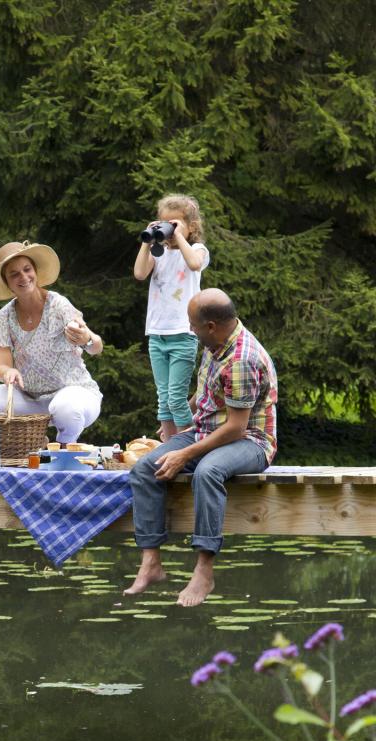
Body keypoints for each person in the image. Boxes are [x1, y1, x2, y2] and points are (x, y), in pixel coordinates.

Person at [124, 289, 277, 607]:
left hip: (249, 440)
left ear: (210, 325)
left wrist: (184, 453)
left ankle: (204, 570)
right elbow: (207, 390)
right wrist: (182, 417)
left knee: (208, 472)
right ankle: (151, 563)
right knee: (144, 470)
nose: (190, 331)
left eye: (193, 325)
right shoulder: (215, 341)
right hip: (205, 430)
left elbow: (235, 427)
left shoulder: (241, 359)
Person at [0, 241, 103, 445]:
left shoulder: (58, 305)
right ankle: (36, 442)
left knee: (66, 409)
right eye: (14, 274)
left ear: (35, 271)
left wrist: (86, 339)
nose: (23, 277)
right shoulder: (4, 317)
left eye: (27, 269)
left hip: (74, 394)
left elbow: (97, 347)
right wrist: (7, 372)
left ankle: (61, 448)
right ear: (7, 283)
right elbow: (1, 366)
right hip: (30, 399)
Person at [134, 195, 210, 442]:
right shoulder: (159, 254)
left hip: (182, 334)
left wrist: (177, 236)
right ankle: (169, 448)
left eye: (174, 223)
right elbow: (139, 273)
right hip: (157, 333)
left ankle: (189, 447)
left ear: (192, 226)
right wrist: (147, 240)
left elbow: (195, 264)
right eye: (163, 223)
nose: (168, 228)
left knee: (176, 398)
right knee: (163, 399)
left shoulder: (197, 249)